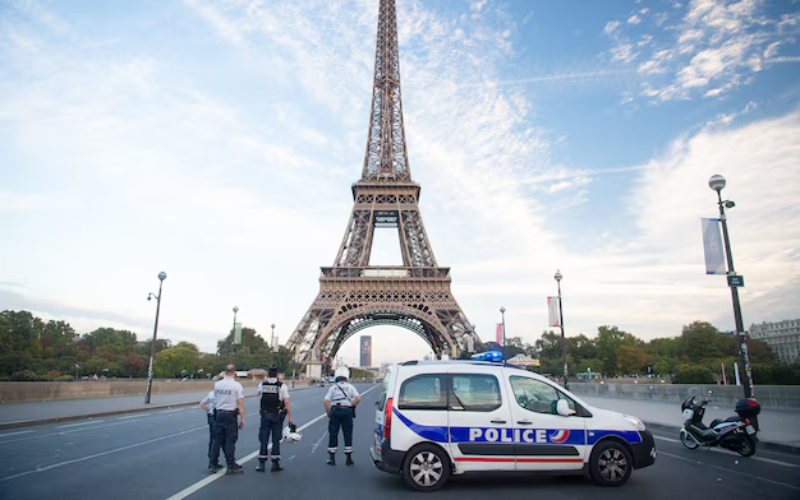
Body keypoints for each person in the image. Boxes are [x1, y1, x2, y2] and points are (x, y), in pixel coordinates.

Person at [208, 365, 245, 475]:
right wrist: (242, 418)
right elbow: (240, 403)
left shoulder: (217, 385)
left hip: (219, 413)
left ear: (225, 372)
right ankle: (230, 464)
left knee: (217, 440)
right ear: (234, 372)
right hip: (230, 415)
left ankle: (213, 463)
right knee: (230, 440)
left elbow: (215, 399)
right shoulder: (236, 385)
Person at [256, 365, 293, 472]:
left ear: (268, 374)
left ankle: (262, 464)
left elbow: (260, 395)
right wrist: (290, 416)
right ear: (277, 374)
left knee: (263, 438)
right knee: (276, 439)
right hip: (277, 415)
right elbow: (286, 402)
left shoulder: (262, 385)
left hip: (265, 415)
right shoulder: (282, 386)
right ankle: (275, 463)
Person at [323, 366, 361, 466]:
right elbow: (358, 398)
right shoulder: (350, 387)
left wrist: (328, 413)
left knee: (333, 433)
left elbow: (326, 401)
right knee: (348, 433)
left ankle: (332, 458)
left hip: (335, 410)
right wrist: (351, 405)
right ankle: (348, 458)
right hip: (347, 410)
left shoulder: (333, 388)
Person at [198, 386, 221, 471]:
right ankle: (214, 462)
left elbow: (201, 404)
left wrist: (209, 410)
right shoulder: (220, 395)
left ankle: (212, 461)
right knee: (218, 440)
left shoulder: (211, 393)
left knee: (212, 439)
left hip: (211, 416)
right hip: (218, 417)